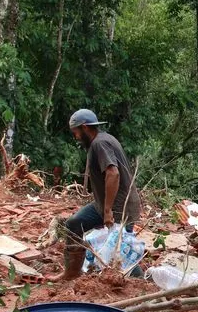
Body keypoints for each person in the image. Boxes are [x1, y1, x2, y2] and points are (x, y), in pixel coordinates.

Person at [53, 109, 142, 281]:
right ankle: (72, 272)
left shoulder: (99, 144)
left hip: (119, 208)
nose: (76, 137)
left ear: (84, 127)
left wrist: (108, 210)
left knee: (119, 252)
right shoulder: (104, 139)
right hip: (104, 205)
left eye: (76, 132)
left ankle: (141, 282)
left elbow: (113, 173)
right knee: (74, 223)